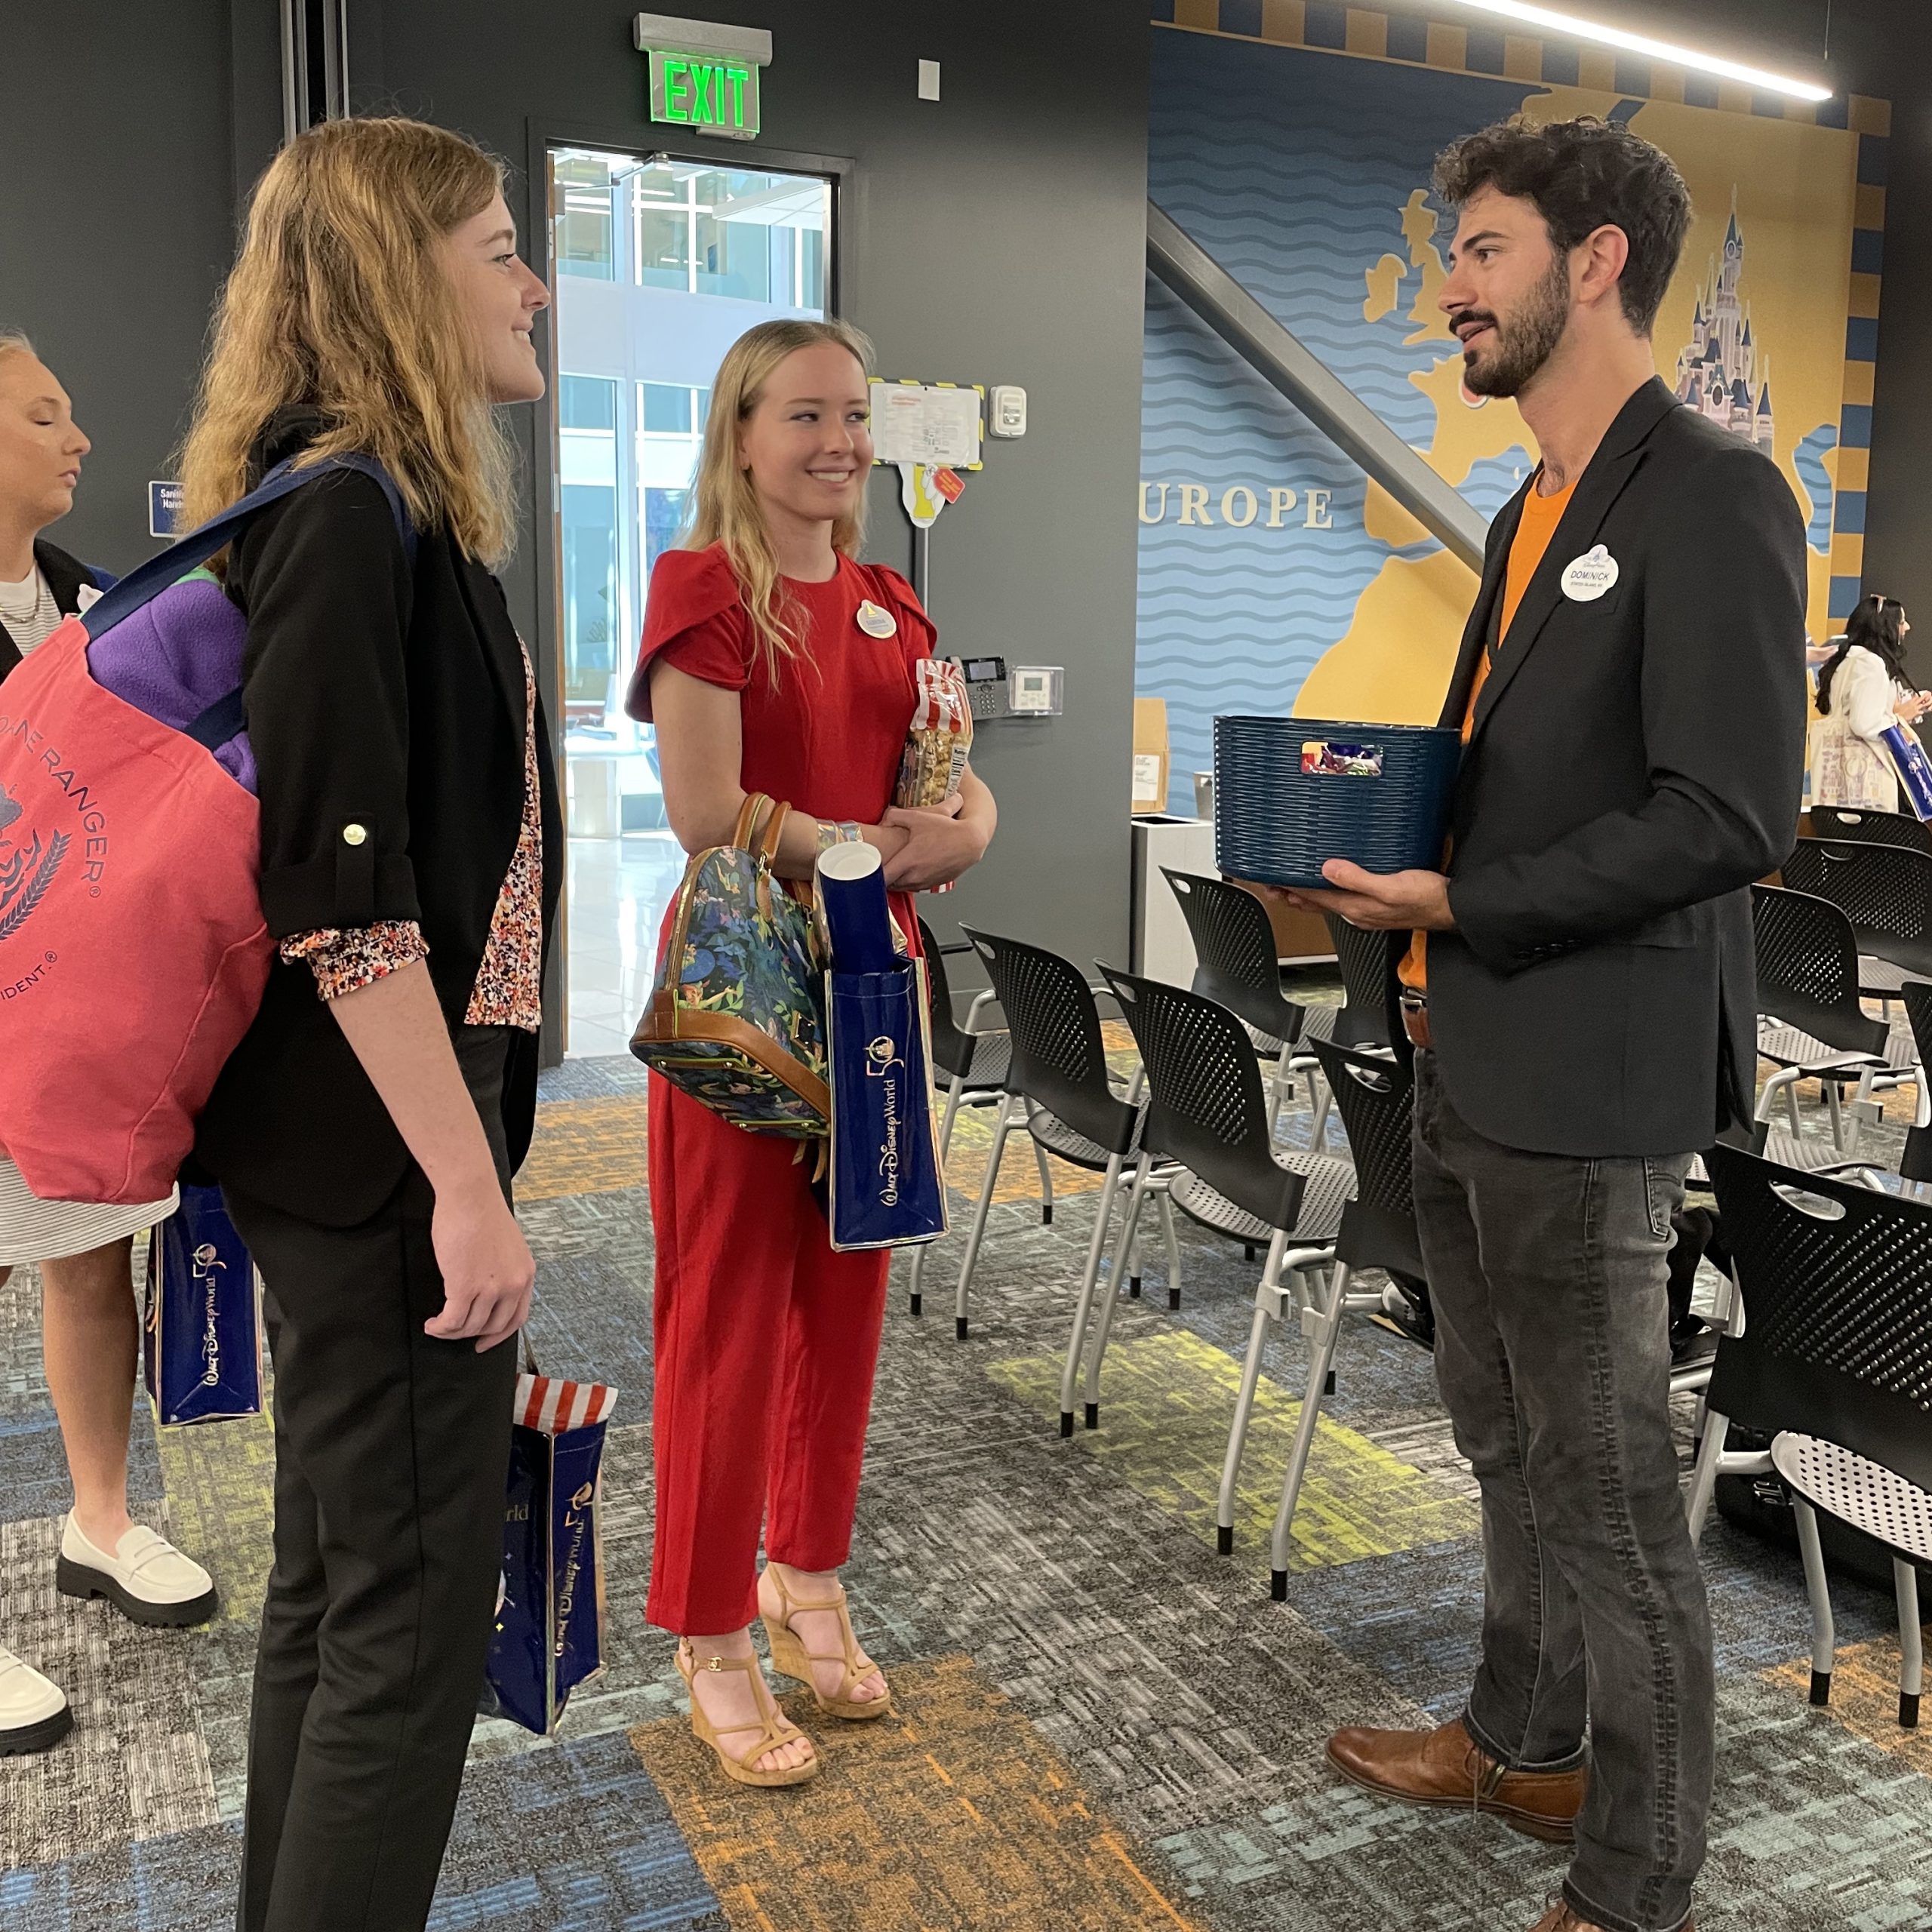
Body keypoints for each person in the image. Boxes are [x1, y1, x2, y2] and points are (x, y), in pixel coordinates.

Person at [1284, 118, 1805, 1932]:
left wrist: (1462, 901)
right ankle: (1520, 1736)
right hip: (1465, 1049)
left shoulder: (1714, 492)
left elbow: (1729, 813)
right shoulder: (1528, 508)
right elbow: (1525, 782)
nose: (1448, 284)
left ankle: (1635, 1874)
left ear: (1590, 261)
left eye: (1482, 248)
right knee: (1505, 1444)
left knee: (1603, 1492)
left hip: (1588, 1084)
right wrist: (1383, 843)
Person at [175, 117, 560, 1931]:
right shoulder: (344, 506)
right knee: (407, 1628)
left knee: (336, 1591)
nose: (530, 281)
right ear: (398, 278)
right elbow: (348, 899)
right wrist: (465, 1183)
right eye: (493, 247)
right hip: (381, 1156)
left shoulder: (340, 497)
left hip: (348, 1147)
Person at [628, 318, 995, 1786]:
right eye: (805, 416)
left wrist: (957, 834)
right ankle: (710, 1624)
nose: (837, 442)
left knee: (847, 1297)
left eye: (854, 415)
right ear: (741, 431)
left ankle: (808, 1569)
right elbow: (707, 814)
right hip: (744, 988)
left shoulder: (894, 602)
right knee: (723, 1306)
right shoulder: (703, 588)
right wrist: (871, 850)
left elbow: (953, 796)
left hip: (873, 990)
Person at [0, 331, 216, 1761]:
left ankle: (101, 1517)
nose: (80, 440)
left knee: (92, 1254)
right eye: (45, 416)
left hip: (70, 1007)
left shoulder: (93, 599)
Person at [1810, 592, 1927, 810]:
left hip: (1834, 785)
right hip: (1865, 793)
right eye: (1901, 622)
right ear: (1885, 628)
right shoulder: (1870, 664)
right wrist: (1899, 718)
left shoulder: (1846, 661)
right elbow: (1864, 723)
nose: (1907, 627)